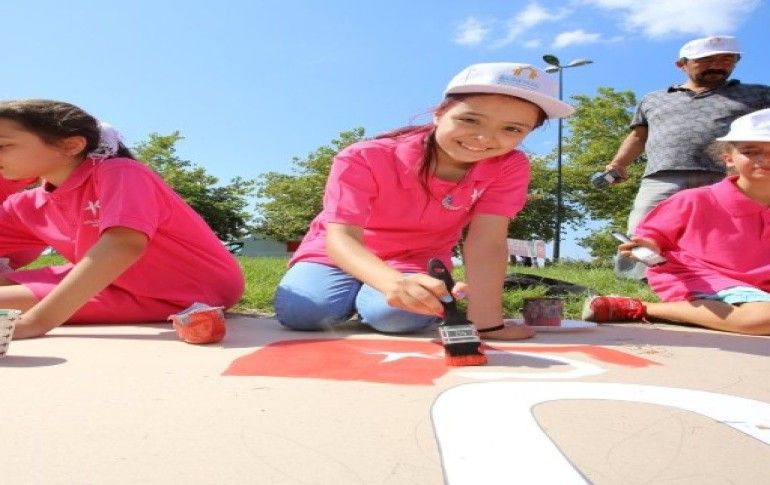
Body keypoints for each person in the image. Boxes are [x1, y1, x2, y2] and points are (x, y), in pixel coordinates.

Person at [275, 62, 574, 339]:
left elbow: (487, 241)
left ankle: (372, 303)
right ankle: (357, 293)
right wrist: (391, 283)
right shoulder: (364, 156)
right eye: (470, 119)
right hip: (337, 255)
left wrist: (486, 322)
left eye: (512, 129)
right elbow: (341, 237)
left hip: (416, 260)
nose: (484, 138)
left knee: (398, 318)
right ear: (440, 113)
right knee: (303, 311)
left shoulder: (510, 166)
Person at [0, 99, 245, 339]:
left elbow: (123, 245)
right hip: (112, 280)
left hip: (183, 291)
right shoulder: (26, 205)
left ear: (71, 145)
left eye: (3, 145)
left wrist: (34, 322)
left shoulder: (121, 172)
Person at [582, 108, 770, 335]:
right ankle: (642, 308)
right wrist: (647, 245)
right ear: (728, 158)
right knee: (763, 318)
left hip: (760, 287)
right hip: (699, 276)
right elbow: (653, 236)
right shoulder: (695, 199)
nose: (764, 159)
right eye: (750, 151)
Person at [602, 35, 770, 280]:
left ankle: (725, 279)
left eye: (726, 59)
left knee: (724, 232)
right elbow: (639, 136)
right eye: (706, 60)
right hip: (662, 175)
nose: (717, 65)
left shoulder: (759, 94)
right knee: (643, 227)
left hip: (727, 176)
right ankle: (633, 281)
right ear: (681, 64)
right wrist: (618, 164)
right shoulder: (652, 100)